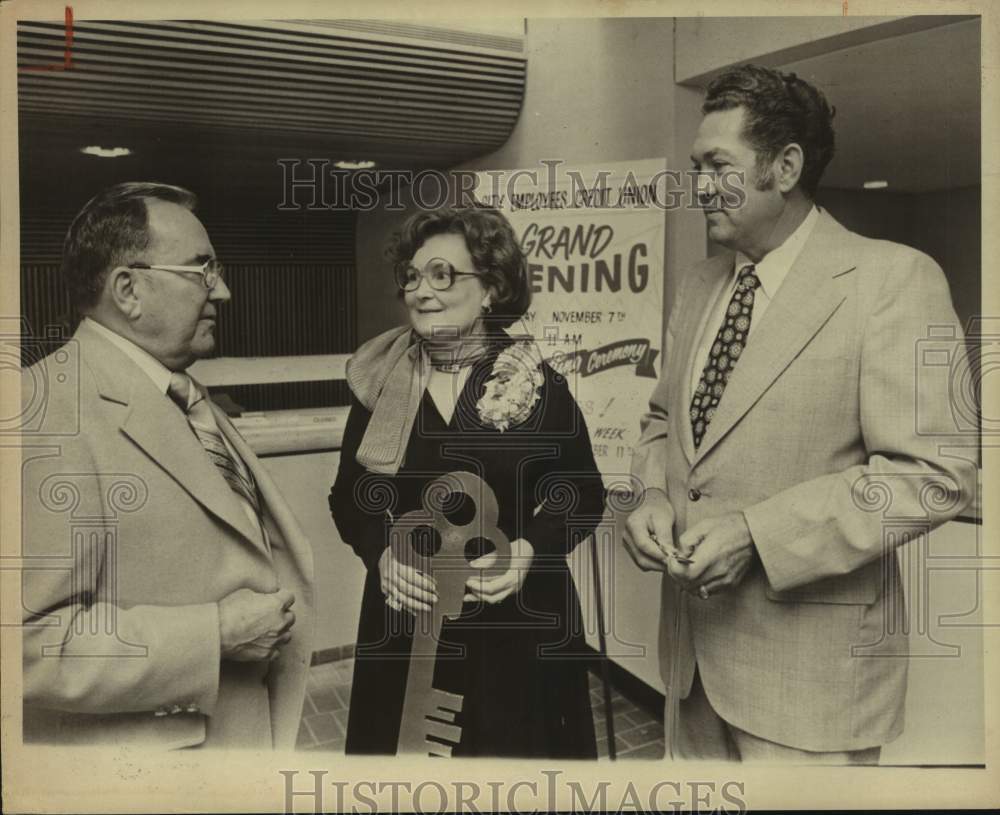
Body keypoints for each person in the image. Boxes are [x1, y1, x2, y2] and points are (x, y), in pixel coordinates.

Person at [624, 64, 977, 762]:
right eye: (695, 166)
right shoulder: (699, 284)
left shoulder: (892, 280)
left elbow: (936, 474)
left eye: (717, 165)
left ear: (785, 167)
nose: (696, 187)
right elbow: (661, 423)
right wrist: (651, 492)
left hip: (813, 687)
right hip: (690, 669)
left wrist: (759, 534)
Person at [20, 182, 314, 749]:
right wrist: (215, 634)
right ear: (128, 289)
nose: (222, 290)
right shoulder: (43, 412)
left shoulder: (185, 395)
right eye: (201, 270)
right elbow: (25, 647)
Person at [329, 206, 604, 757]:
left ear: (492, 290)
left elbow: (582, 491)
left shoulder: (535, 384)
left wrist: (531, 550)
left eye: (443, 275)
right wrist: (382, 555)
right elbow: (349, 498)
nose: (420, 292)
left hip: (519, 631)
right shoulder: (382, 383)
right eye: (412, 275)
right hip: (408, 626)